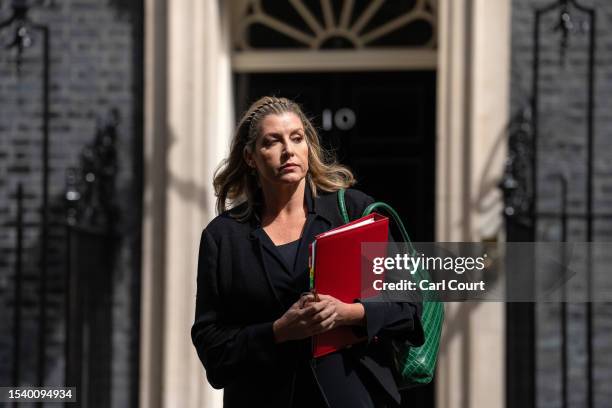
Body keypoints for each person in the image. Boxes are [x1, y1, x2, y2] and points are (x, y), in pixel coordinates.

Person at [191, 96, 424, 408]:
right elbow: (212, 348)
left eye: (296, 138)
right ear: (250, 156)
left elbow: (408, 307)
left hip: (354, 395)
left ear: (308, 146)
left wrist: (349, 313)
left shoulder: (353, 211)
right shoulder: (222, 237)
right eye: (272, 142)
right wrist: (277, 331)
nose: (288, 150)